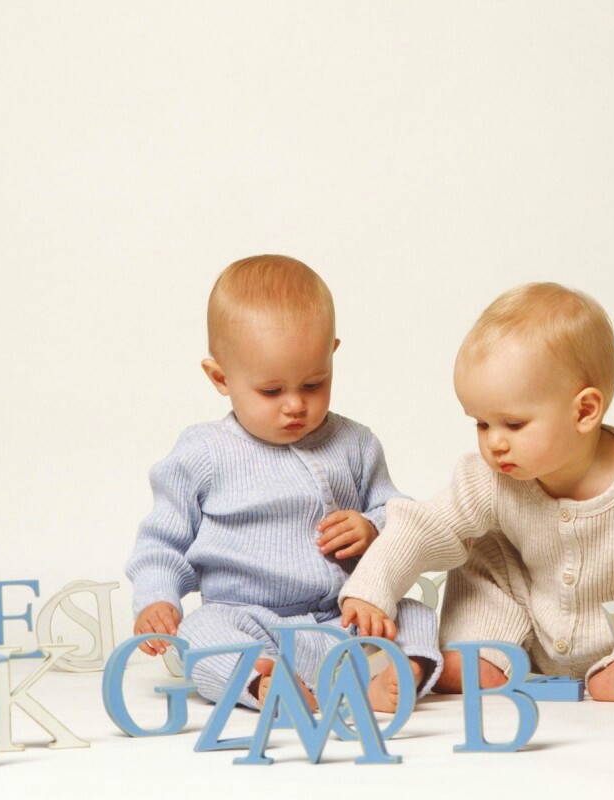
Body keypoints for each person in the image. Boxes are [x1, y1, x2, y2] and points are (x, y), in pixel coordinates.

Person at [340, 282, 614, 702]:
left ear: (584, 411)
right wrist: (372, 588)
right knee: (481, 554)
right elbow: (423, 525)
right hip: (533, 630)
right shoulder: (488, 478)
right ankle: (483, 655)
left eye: (513, 424)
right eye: (482, 424)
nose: (494, 442)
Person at [126, 254, 441, 712]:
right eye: (271, 391)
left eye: (313, 384)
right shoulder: (204, 453)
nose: (295, 405)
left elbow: (403, 517)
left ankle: (397, 673)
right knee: (199, 632)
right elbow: (162, 541)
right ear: (220, 377)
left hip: (342, 616)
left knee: (413, 612)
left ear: (332, 355)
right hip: (248, 621)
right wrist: (157, 597)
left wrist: (372, 527)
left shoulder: (355, 443)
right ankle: (263, 682)